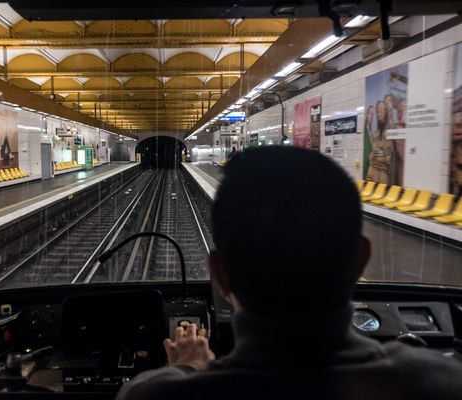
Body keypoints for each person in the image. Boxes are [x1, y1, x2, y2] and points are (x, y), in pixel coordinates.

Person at [116, 147, 462, 400]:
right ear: (360, 260)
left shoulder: (153, 395)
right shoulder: (441, 383)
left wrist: (190, 367)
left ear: (220, 275)